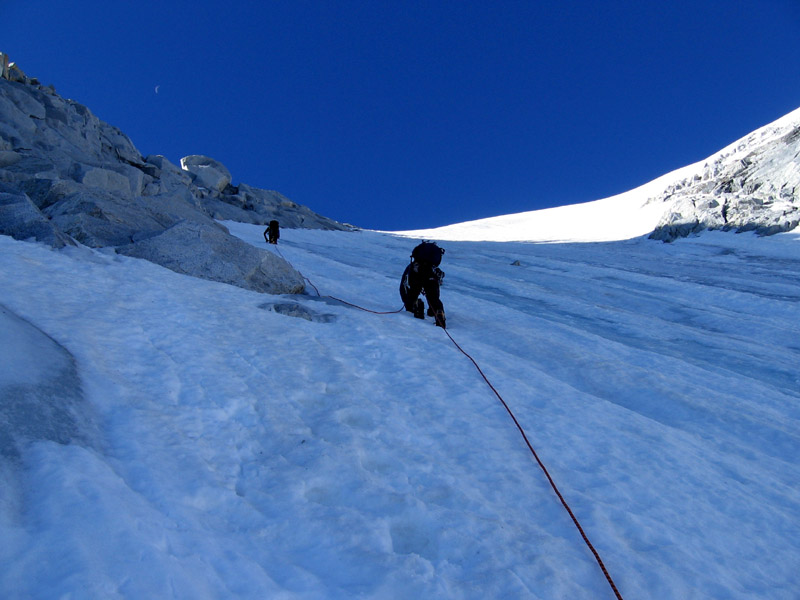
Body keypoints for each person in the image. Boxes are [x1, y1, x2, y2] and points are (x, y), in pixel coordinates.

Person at [400, 241, 446, 328]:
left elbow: (404, 285)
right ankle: (438, 312)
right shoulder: (433, 267)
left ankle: (415, 306)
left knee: (413, 292)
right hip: (430, 275)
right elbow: (436, 291)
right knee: (433, 297)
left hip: (416, 273)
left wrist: (406, 301)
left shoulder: (413, 266)